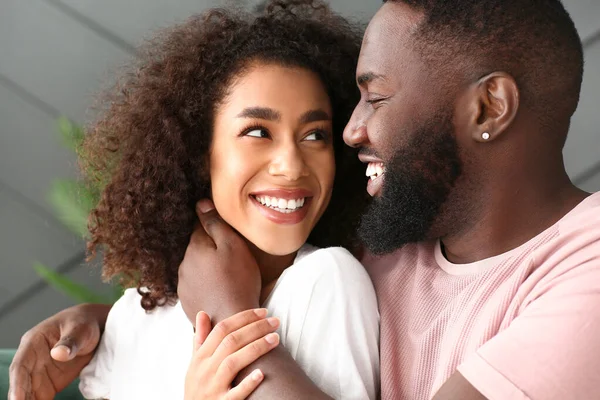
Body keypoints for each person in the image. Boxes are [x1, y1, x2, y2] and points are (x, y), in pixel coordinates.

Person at [10, 0, 600, 399]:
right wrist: (109, 325)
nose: (352, 132)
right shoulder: (397, 239)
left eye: (377, 99)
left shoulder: (587, 273)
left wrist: (231, 324)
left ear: (488, 106)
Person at [11, 1, 381, 400]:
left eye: (315, 135)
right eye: (258, 133)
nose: (292, 166)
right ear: (198, 151)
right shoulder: (136, 315)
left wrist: (232, 317)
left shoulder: (325, 281)